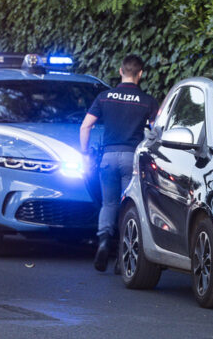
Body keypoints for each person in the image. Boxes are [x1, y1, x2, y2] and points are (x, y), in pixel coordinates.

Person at [79, 54, 159, 272]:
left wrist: (85, 154)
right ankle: (123, 256)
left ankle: (104, 241)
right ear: (140, 74)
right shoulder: (148, 101)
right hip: (132, 160)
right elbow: (156, 132)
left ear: (121, 71)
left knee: (109, 204)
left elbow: (85, 127)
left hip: (108, 158)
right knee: (128, 207)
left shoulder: (104, 97)